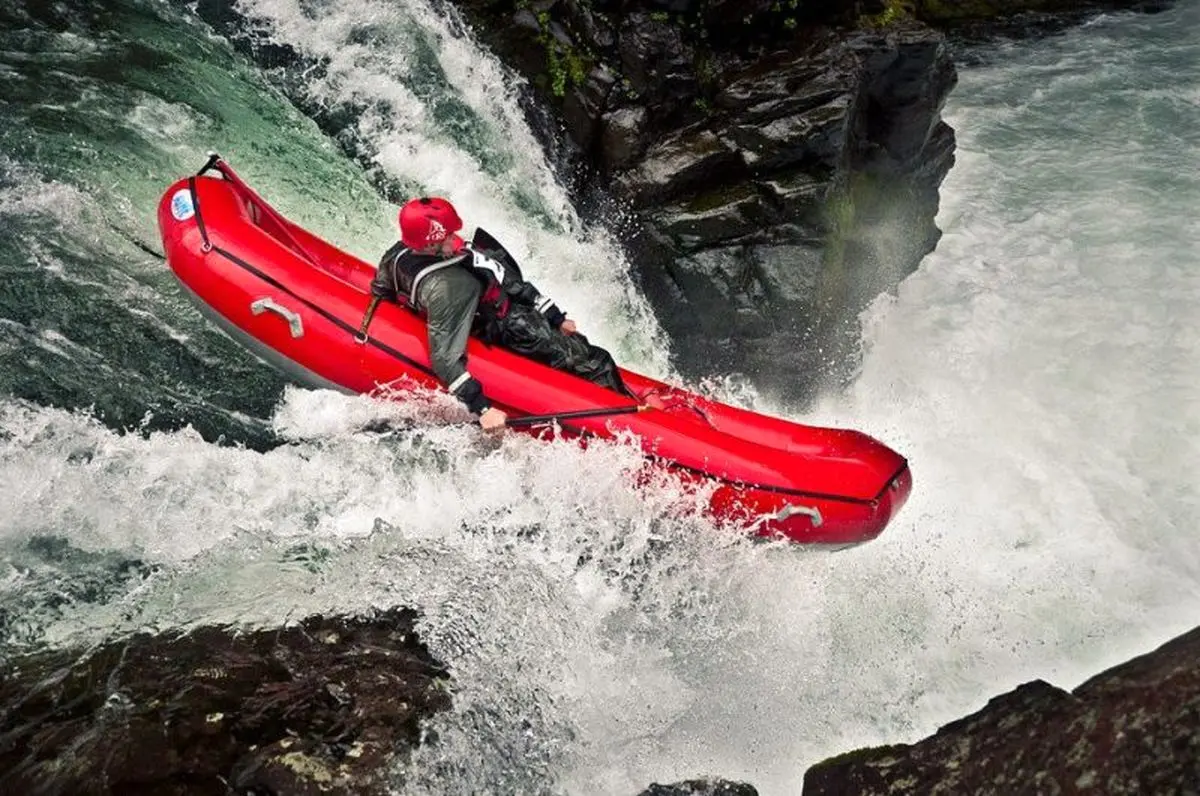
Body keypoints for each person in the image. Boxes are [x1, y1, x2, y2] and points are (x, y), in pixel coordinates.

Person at [369, 197, 634, 431]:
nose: (454, 237)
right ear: (430, 246)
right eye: (447, 236)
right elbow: (445, 360)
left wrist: (555, 316)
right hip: (513, 329)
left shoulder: (398, 253)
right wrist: (482, 409)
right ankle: (629, 421)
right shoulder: (450, 288)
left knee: (575, 344)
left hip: (489, 312)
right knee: (598, 362)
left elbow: (381, 291)